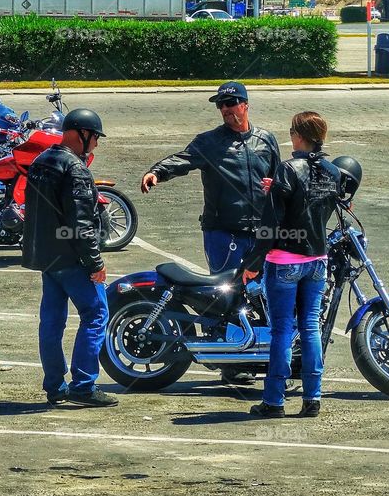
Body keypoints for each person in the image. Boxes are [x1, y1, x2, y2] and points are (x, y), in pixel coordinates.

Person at [241, 111, 341, 419]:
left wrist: (253, 262)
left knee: (282, 330)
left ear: (298, 135)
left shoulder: (288, 169)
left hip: (285, 259)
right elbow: (313, 206)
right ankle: (313, 398)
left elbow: (271, 222)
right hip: (317, 259)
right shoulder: (332, 171)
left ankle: (274, 400)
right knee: (310, 327)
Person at [21, 108, 118, 408]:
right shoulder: (74, 168)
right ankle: (84, 385)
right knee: (96, 314)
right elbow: (81, 224)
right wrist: (95, 263)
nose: (96, 145)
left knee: (51, 322)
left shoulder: (41, 161)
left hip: (47, 260)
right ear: (81, 134)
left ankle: (54, 386)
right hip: (72, 260)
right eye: (95, 138)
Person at [141, 81, 280, 274]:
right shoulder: (210, 141)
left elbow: (279, 180)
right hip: (222, 232)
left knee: (264, 292)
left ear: (245, 104)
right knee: (223, 292)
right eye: (220, 104)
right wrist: (157, 172)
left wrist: (276, 188)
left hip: (261, 233)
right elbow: (183, 159)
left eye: (230, 102)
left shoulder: (266, 139)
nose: (224, 108)